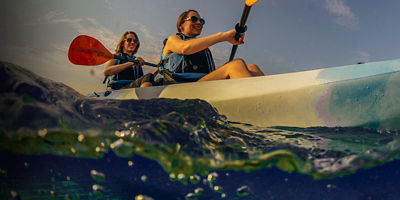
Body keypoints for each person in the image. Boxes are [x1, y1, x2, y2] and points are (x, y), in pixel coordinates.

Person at [161, 9, 264, 83]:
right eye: (193, 19)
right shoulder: (173, 39)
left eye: (201, 21)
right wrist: (223, 36)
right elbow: (185, 48)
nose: (199, 23)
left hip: (205, 84)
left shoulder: (202, 46)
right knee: (236, 64)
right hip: (182, 85)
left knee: (252, 67)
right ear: (181, 26)